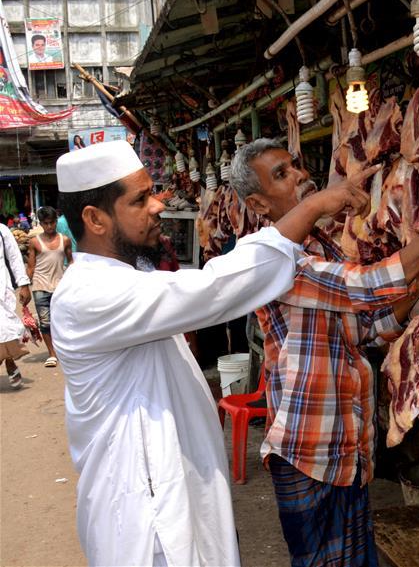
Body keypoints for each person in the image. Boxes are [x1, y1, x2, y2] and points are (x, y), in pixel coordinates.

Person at [51, 140, 372, 566]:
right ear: (94, 218)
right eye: (141, 199)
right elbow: (215, 288)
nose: (158, 207)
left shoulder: (126, 279)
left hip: (173, 497)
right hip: (142, 519)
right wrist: (313, 207)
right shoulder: (88, 295)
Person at [229, 138, 419, 567]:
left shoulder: (319, 247)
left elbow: (366, 327)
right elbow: (368, 285)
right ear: (258, 203)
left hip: (347, 452)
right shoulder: (275, 263)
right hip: (308, 453)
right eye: (282, 174)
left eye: (295, 165)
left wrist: (418, 286)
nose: (300, 176)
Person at [26, 206, 72, 368]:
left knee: (62, 321)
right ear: (41, 224)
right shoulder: (34, 242)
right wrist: (25, 288)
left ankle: (64, 350)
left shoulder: (64, 240)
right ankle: (52, 354)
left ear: (56, 222)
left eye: (52, 222)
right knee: (45, 323)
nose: (50, 226)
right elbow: (31, 267)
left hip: (60, 287)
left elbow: (71, 262)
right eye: (46, 223)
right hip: (40, 287)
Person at [0, 223, 30, 389]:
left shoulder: (2, 230)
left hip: (2, 288)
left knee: (6, 328)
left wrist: (24, 284)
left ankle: (10, 361)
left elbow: (14, 257)